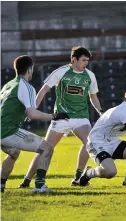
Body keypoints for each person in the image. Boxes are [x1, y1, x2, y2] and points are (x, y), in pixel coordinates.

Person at [19, 46, 103, 188]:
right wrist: (32, 109)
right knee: (45, 148)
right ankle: (26, 180)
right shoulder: (61, 72)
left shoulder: (90, 75)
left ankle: (78, 177)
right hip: (61, 117)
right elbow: (43, 90)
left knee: (90, 142)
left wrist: (100, 111)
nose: (86, 63)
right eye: (83, 60)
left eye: (87, 61)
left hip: (81, 117)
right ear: (73, 59)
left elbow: (93, 96)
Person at [0, 55, 69, 193]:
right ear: (30, 69)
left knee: (14, 152)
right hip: (8, 131)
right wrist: (54, 116)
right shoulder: (26, 86)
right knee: (47, 148)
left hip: (3, 129)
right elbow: (33, 114)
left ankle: (1, 184)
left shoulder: (8, 85)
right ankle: (39, 186)